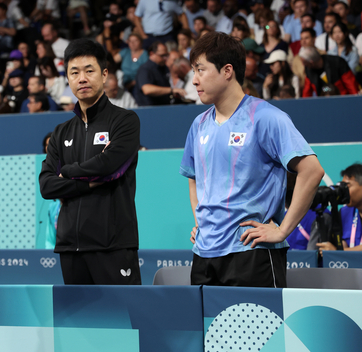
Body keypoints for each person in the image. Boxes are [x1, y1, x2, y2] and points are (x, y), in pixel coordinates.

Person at [180, 32, 324, 287]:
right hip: (204, 254)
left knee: (256, 329)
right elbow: (194, 179)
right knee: (209, 329)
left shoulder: (266, 117)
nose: (194, 80)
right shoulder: (198, 124)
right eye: (194, 71)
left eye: (200, 70)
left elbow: (312, 171)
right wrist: (201, 222)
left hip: (252, 252)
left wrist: (281, 231)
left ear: (227, 71)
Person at [39, 38, 141, 285]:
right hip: (70, 249)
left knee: (121, 322)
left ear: (104, 74)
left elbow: (108, 166)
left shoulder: (125, 121)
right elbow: (46, 186)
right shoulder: (61, 131)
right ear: (68, 79)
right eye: (74, 72)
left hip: (113, 246)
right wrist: (87, 183)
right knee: (79, 325)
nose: (82, 78)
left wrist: (68, 171)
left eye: (89, 70)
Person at [317, 164, 362, 252]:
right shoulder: (344, 212)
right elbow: (343, 243)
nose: (343, 192)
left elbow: (342, 251)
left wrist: (337, 252)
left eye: (347, 186)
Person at [134, 41, 181, 106]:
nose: (165, 58)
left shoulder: (164, 68)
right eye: (162, 55)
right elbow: (147, 89)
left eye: (166, 55)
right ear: (151, 54)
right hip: (149, 110)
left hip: (163, 108)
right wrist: (172, 90)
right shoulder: (145, 69)